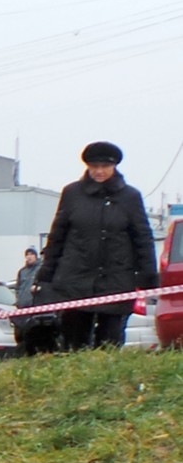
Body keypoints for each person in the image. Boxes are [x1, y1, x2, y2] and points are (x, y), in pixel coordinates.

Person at [33, 141, 157, 350]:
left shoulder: (130, 197)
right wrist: (46, 274)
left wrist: (147, 278)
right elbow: (58, 236)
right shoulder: (72, 193)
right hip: (75, 279)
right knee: (74, 342)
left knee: (110, 341)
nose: (99, 171)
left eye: (104, 167)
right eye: (94, 166)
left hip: (117, 280)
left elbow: (143, 239)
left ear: (114, 167)